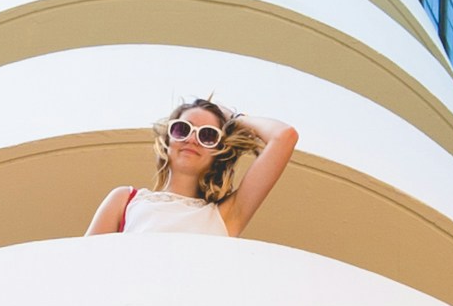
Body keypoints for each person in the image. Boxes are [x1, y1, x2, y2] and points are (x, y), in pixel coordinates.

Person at [86, 93, 299, 243]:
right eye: (182, 129)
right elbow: (84, 263)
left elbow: (284, 136)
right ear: (168, 140)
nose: (192, 139)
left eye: (208, 135)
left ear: (218, 151)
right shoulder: (126, 200)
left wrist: (235, 119)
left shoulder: (225, 215)